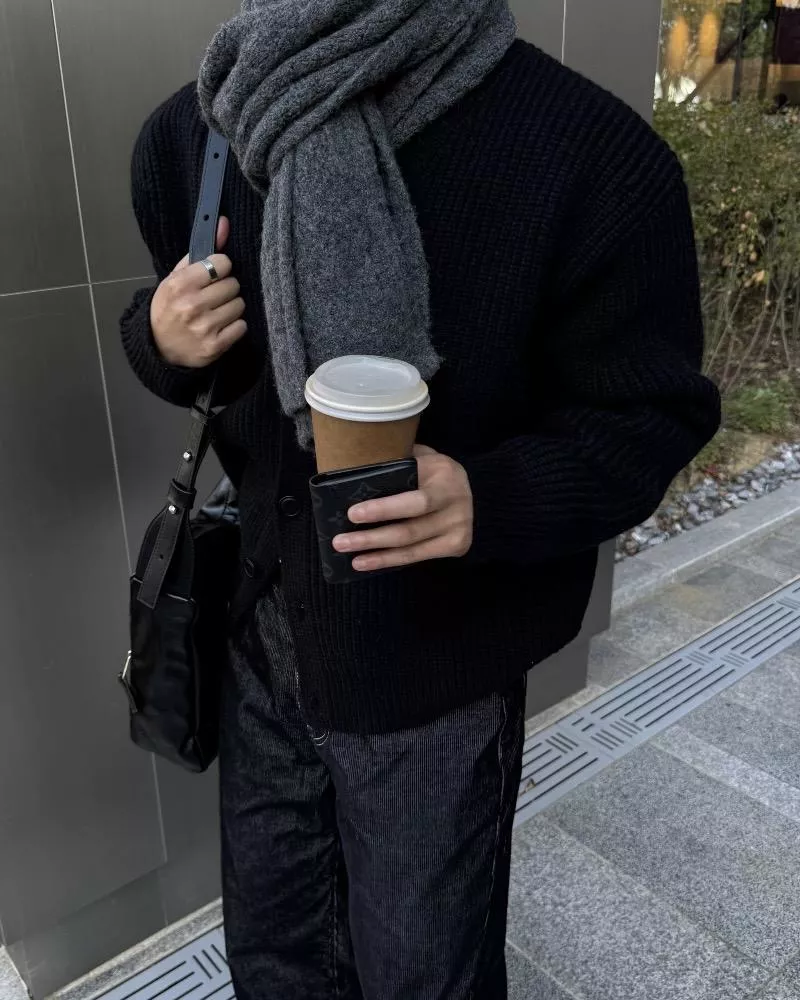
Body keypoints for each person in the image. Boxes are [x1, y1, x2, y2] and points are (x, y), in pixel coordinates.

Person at [121, 2, 721, 997]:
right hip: (258, 638)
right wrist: (159, 337)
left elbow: (649, 414)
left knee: (425, 976)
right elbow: (192, 352)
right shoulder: (201, 126)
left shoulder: (584, 151)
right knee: (275, 961)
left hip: (441, 664)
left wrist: (491, 496)